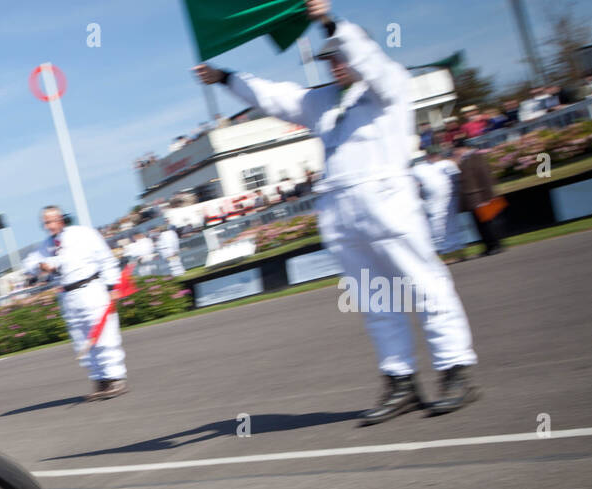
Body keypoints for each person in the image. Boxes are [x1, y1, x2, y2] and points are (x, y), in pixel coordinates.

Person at [194, 0, 480, 423]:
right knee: (376, 301)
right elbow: (274, 97)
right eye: (330, 58)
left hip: (390, 204)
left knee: (426, 286)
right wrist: (226, 78)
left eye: (341, 55)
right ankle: (400, 380)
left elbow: (370, 61)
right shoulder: (322, 101)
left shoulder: (390, 85)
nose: (335, 64)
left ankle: (455, 370)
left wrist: (329, 22)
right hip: (344, 213)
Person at [24, 205, 127, 400]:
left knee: (103, 335)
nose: (50, 225)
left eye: (53, 220)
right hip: (68, 295)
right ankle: (100, 380)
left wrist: (112, 287)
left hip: (91, 287)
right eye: (46, 222)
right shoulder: (46, 246)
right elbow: (29, 264)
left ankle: (115, 377)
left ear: (62, 219)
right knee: (82, 339)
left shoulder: (83, 234)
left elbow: (106, 259)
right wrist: (40, 266)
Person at [453, 137, 504, 256]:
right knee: (480, 225)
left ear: (462, 148)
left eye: (456, 149)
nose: (455, 152)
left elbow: (485, 176)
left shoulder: (476, 157)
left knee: (488, 224)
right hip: (473, 199)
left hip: (482, 196)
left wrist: (489, 196)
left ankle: (496, 245)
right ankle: (488, 246)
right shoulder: (463, 160)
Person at [410, 150, 462, 255]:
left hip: (449, 199)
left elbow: (458, 175)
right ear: (427, 156)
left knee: (450, 222)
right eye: (431, 155)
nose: (434, 157)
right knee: (435, 223)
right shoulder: (418, 168)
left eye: (436, 154)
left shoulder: (446, 164)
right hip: (431, 201)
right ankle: (440, 247)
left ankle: (454, 246)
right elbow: (412, 184)